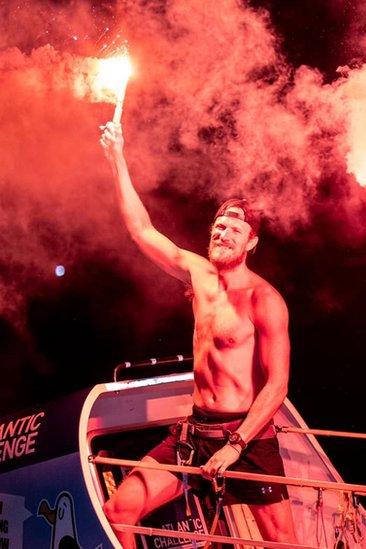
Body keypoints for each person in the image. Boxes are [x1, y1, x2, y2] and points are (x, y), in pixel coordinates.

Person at [98, 121, 296, 548]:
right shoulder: (198, 274)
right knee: (120, 511)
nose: (222, 235)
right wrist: (117, 156)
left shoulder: (264, 299)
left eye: (234, 231)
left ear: (252, 242)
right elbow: (142, 230)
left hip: (246, 437)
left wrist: (236, 445)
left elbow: (277, 384)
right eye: (219, 228)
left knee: (285, 543)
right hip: (194, 433)